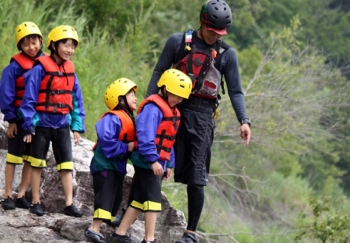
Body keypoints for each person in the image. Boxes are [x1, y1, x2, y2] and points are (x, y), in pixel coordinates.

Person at [145, 1, 252, 242]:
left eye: (221, 33)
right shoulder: (178, 42)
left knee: (197, 176)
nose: (216, 36)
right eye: (213, 31)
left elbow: (235, 91)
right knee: (152, 162)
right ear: (203, 23)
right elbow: (158, 71)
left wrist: (244, 120)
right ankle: (133, 211)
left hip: (202, 118)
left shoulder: (227, 55)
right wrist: (148, 105)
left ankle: (190, 233)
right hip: (172, 110)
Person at [110, 69, 192, 243]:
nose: (178, 100)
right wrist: (154, 160)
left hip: (157, 161)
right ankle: (149, 239)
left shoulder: (173, 111)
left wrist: (169, 163)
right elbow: (146, 136)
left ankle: (120, 233)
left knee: (139, 199)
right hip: (147, 161)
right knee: (153, 202)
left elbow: (169, 142)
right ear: (164, 88)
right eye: (175, 95)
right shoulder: (153, 108)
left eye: (181, 97)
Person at [19, 25, 85, 217]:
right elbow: (29, 98)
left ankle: (69, 203)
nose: (70, 50)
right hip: (42, 123)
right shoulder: (40, 67)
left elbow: (76, 99)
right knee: (37, 163)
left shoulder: (70, 69)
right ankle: (36, 201)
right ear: (54, 45)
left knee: (66, 164)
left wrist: (76, 126)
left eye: (73, 46)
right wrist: (28, 125)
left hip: (63, 123)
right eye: (66, 44)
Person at [0, 21, 47, 210]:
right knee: (13, 156)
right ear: (20, 46)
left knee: (31, 158)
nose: (31, 47)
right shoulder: (13, 68)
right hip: (19, 118)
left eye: (34, 42)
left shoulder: (46, 64)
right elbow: (6, 95)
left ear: (41, 41)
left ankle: (21, 193)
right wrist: (11, 120)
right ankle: (7, 193)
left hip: (38, 119)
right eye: (26, 44)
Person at [84, 78, 138, 243]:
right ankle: (93, 228)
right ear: (120, 99)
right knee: (105, 195)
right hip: (105, 165)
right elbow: (108, 144)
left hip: (116, 166)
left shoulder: (127, 117)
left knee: (117, 196)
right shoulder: (112, 118)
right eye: (130, 94)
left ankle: (109, 224)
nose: (135, 98)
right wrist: (127, 147)